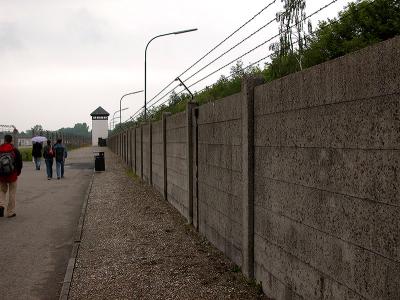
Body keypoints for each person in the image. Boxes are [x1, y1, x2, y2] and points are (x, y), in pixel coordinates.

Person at [0, 135, 23, 218]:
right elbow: (20, 162)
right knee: (12, 193)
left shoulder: (0, 148)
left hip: (2, 175)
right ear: (11, 140)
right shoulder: (14, 150)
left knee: (2, 191)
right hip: (12, 175)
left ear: (4, 140)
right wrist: (18, 172)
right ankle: (10, 212)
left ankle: (1, 205)